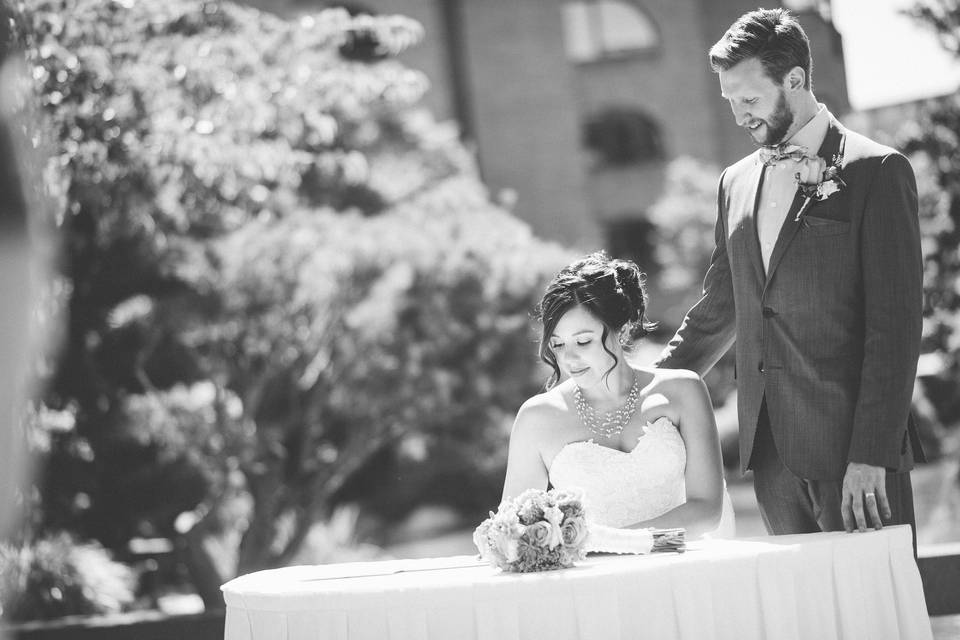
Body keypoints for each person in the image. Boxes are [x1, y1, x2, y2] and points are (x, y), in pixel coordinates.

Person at [656, 8, 923, 538]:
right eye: (730, 101)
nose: (739, 116)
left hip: (857, 459)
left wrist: (870, 455)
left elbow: (893, 330)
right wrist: (636, 390)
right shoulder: (733, 183)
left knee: (877, 615)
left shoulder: (878, 172)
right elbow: (720, 310)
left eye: (750, 100)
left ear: (795, 80)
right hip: (771, 459)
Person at [502, 252, 734, 539]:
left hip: (682, 568)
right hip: (594, 576)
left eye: (583, 341)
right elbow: (514, 531)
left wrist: (614, 542)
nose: (569, 359)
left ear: (622, 330)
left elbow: (707, 511)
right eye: (558, 344)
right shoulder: (536, 418)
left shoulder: (683, 390)